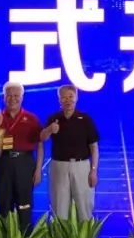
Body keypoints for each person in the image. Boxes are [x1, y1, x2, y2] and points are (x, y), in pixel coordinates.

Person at [0, 82, 43, 229]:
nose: (13, 99)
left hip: (24, 163)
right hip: (3, 162)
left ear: (22, 97)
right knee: (3, 203)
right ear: (4, 97)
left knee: (24, 204)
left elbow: (40, 145)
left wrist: (38, 170)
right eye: (9, 95)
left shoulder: (31, 118)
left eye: (16, 95)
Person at [41, 85, 100, 220]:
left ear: (76, 98)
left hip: (81, 166)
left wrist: (93, 170)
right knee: (59, 208)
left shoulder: (85, 119)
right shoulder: (54, 118)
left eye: (70, 97)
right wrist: (50, 129)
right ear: (59, 100)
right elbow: (42, 138)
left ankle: (85, 233)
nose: (67, 100)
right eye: (64, 97)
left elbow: (94, 147)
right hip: (59, 166)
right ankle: (60, 234)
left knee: (84, 207)